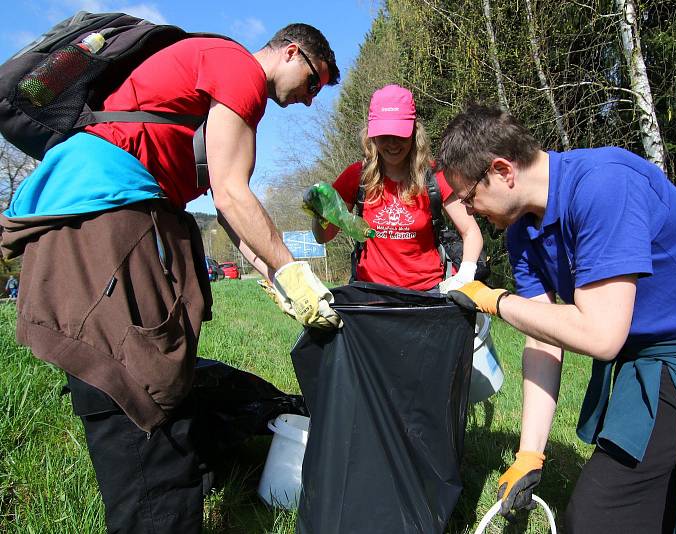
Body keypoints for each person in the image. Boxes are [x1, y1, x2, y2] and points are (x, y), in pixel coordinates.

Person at [0, 24, 340, 533]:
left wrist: (275, 276)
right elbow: (231, 193)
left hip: (100, 215)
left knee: (145, 380)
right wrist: (295, 271)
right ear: (291, 52)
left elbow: (231, 216)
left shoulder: (214, 68)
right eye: (315, 82)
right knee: (139, 391)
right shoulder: (239, 70)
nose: (311, 100)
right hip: (103, 220)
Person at [439, 105, 676, 533]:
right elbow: (542, 336)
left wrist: (494, 301)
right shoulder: (521, 231)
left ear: (502, 170)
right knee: (602, 518)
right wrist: (529, 455)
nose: (469, 210)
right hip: (648, 355)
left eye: (468, 196)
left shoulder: (605, 185)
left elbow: (600, 335)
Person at [309, 84, 483, 292]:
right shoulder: (356, 177)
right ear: (371, 135)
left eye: (400, 135)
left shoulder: (435, 177)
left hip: (427, 295)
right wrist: (321, 211)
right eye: (384, 135)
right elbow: (323, 237)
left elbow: (471, 231)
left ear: (413, 132)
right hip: (371, 295)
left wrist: (465, 275)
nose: (392, 144)